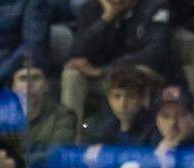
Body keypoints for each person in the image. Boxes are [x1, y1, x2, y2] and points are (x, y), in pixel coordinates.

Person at [54, 65, 159, 168]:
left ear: (142, 98)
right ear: (109, 98)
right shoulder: (98, 124)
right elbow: (82, 162)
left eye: (130, 96)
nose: (123, 104)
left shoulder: (154, 125)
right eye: (117, 96)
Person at [62, 0, 173, 128]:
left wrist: (103, 71)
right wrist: (105, 18)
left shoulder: (155, 7)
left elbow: (155, 53)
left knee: (136, 72)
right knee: (72, 74)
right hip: (102, 78)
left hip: (137, 75)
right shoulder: (91, 9)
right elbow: (75, 53)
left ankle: (136, 133)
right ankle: (70, 137)